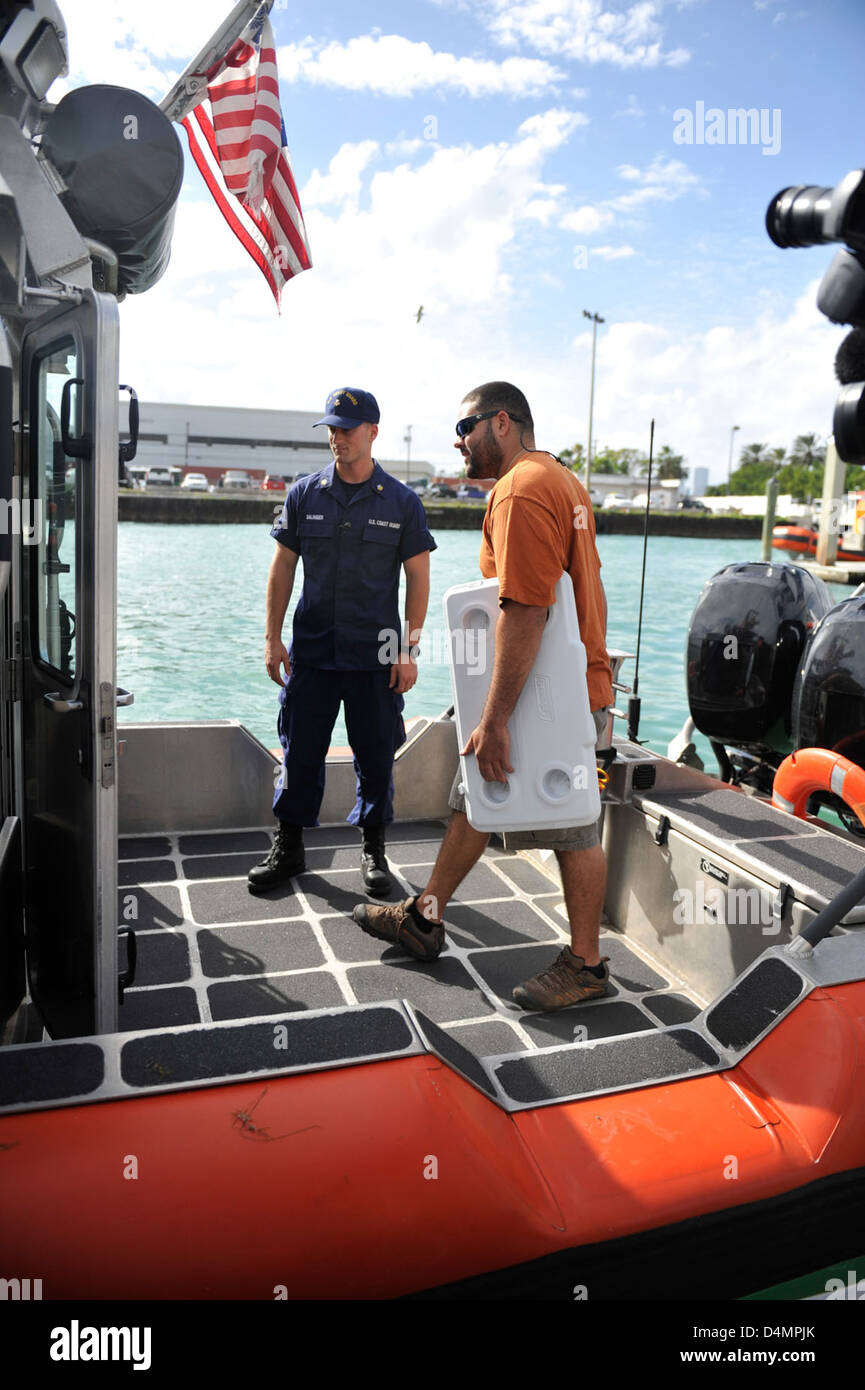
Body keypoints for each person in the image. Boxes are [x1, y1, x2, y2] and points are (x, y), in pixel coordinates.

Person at [353, 381, 614, 1011]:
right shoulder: (560, 478)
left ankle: (587, 964)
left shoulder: (520, 490)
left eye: (464, 426)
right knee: (475, 795)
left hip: (554, 695)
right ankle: (425, 917)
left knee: (574, 825)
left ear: (502, 423)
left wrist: (495, 717)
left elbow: (525, 609)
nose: (457, 440)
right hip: (563, 683)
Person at [248, 387, 436, 896]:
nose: (337, 438)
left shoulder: (401, 502)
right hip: (311, 649)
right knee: (299, 751)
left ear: (373, 432)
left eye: (347, 429)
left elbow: (419, 579)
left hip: (375, 654)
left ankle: (373, 850)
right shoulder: (304, 494)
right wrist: (272, 638)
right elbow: (283, 566)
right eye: (331, 429)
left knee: (375, 755)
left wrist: (410, 650)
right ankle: (289, 846)